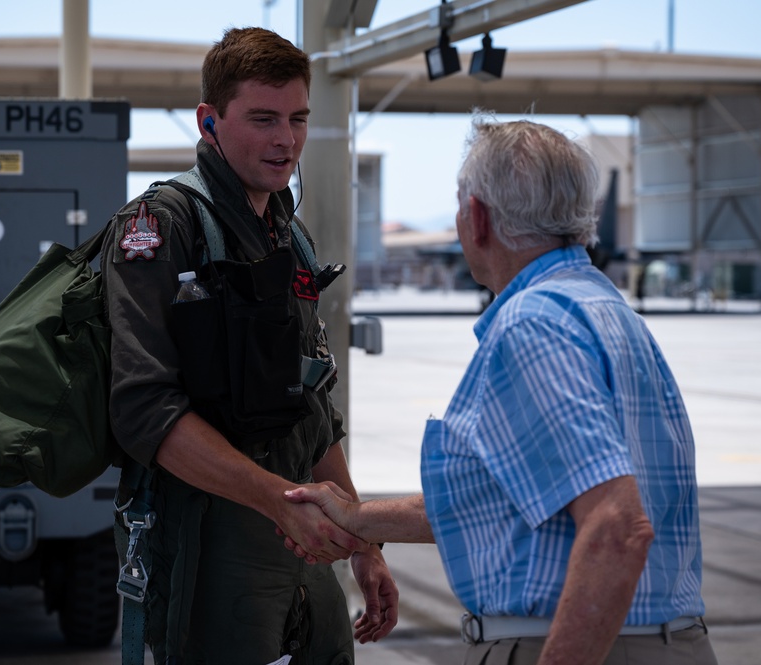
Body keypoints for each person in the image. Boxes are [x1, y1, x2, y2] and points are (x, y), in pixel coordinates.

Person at [285, 118, 718, 665]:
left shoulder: (534, 326)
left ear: (479, 218)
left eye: (460, 204)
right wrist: (357, 520)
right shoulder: (606, 311)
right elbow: (508, 504)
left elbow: (617, 527)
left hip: (577, 643)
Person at [101, 27, 397, 664]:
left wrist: (365, 542)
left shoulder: (290, 234)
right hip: (209, 546)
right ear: (210, 121)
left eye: (296, 118)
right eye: (263, 118)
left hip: (303, 534)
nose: (285, 140)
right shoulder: (161, 226)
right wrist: (278, 504)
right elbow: (145, 411)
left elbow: (314, 412)